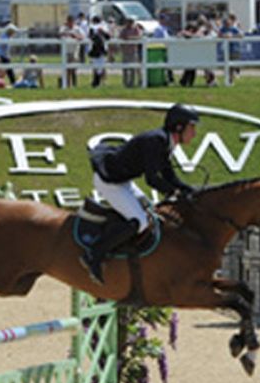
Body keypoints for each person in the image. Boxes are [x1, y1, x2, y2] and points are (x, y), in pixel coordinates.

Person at [80, 104, 200, 284]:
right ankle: (94, 254)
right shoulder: (156, 141)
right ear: (179, 127)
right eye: (192, 127)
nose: (194, 133)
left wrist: (189, 190)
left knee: (150, 211)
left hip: (123, 181)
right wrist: (173, 192)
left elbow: (168, 175)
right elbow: (151, 179)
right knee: (139, 222)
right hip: (110, 182)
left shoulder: (167, 142)